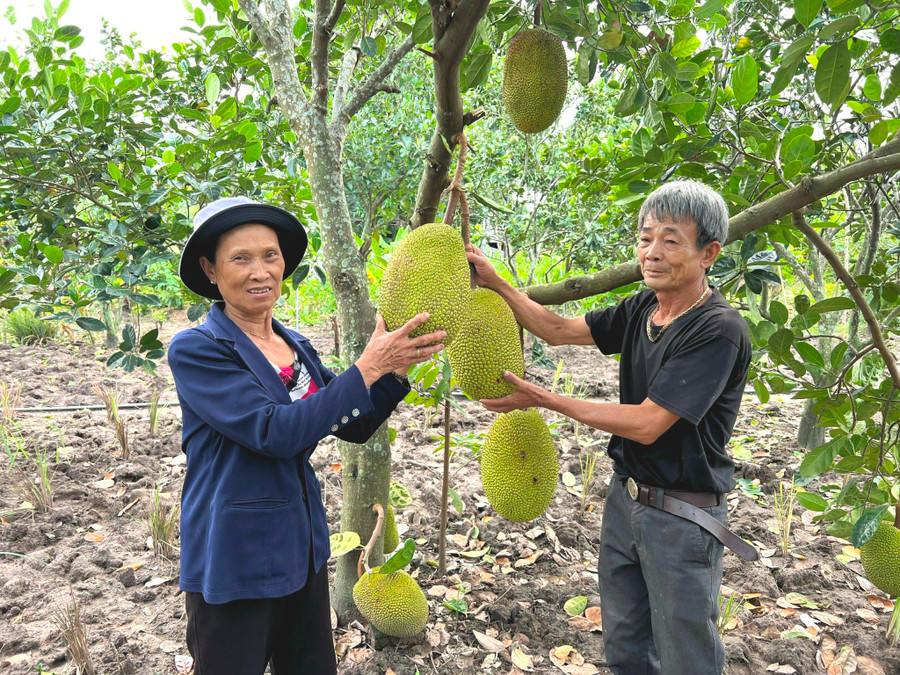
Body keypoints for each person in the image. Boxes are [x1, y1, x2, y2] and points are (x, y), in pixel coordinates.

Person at [466, 180, 753, 675]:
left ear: (709, 253)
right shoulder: (643, 307)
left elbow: (648, 423)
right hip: (626, 502)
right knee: (624, 646)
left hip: (682, 517)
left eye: (670, 239)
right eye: (645, 239)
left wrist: (545, 399)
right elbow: (557, 331)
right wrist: (496, 284)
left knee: (687, 656)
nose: (652, 252)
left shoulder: (718, 329)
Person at [168, 196, 444, 675]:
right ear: (210, 270)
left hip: (303, 545)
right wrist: (368, 366)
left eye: (270, 256)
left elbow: (351, 421)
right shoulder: (198, 349)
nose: (260, 272)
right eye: (241, 258)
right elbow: (274, 431)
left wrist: (395, 372)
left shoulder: (296, 344)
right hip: (236, 554)